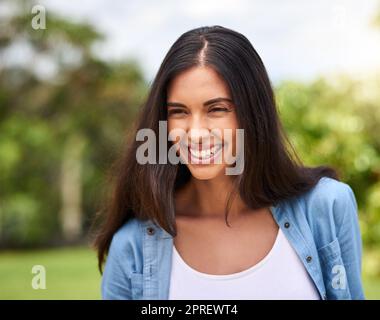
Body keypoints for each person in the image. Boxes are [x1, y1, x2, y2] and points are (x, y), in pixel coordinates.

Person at [93, 25, 364, 300]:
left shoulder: (327, 207)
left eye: (217, 109)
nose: (195, 133)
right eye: (179, 112)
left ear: (253, 113)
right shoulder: (132, 245)